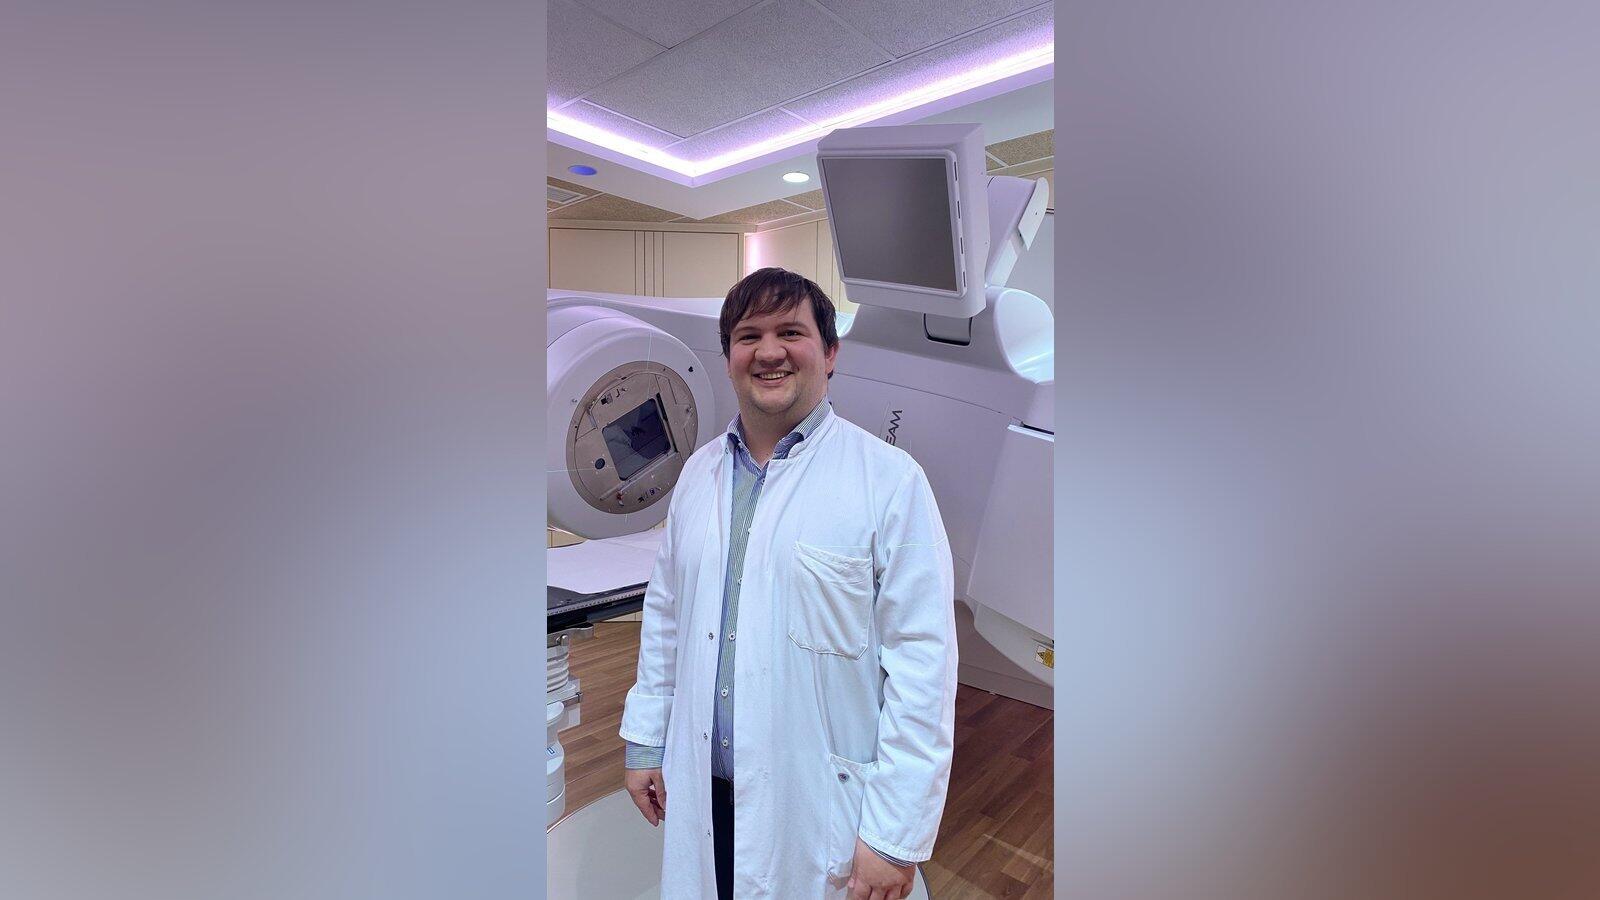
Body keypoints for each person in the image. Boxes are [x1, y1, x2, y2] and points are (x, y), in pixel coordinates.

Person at [618, 267, 957, 900]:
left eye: (790, 332)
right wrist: (645, 741)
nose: (768, 351)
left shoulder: (890, 481)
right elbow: (666, 618)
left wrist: (894, 836)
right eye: (749, 336)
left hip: (818, 808)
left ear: (830, 352)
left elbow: (923, 669)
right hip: (704, 786)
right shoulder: (698, 475)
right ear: (729, 357)